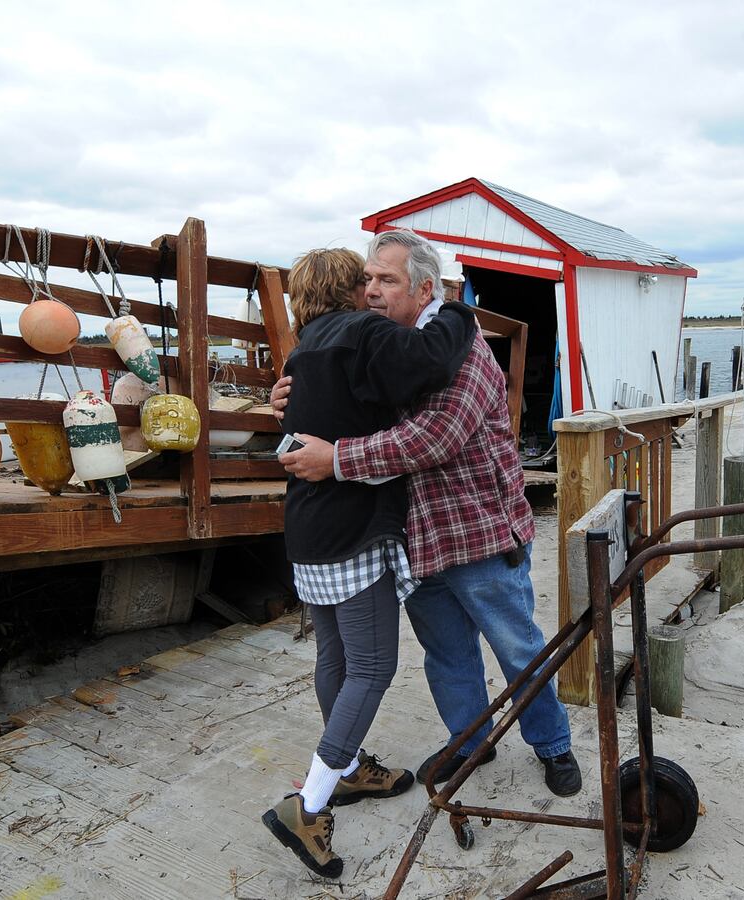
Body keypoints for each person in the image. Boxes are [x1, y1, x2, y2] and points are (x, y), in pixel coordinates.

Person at [275, 228, 582, 801]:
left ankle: (553, 744)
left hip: (479, 533)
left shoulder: (459, 349)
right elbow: (344, 401)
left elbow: (432, 438)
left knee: (518, 649)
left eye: (386, 280)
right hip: (416, 540)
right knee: (446, 654)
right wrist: (292, 398)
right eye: (367, 278)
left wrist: (335, 459)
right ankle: (469, 742)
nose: (371, 290)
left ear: (423, 289)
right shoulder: (386, 348)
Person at [262, 247, 478, 880]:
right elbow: (430, 359)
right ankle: (309, 804)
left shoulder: (303, 351)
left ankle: (351, 769)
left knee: (335, 657)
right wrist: (457, 310)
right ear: (350, 288)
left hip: (307, 528)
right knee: (375, 664)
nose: (375, 289)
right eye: (367, 280)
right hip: (352, 530)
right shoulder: (361, 331)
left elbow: (313, 414)